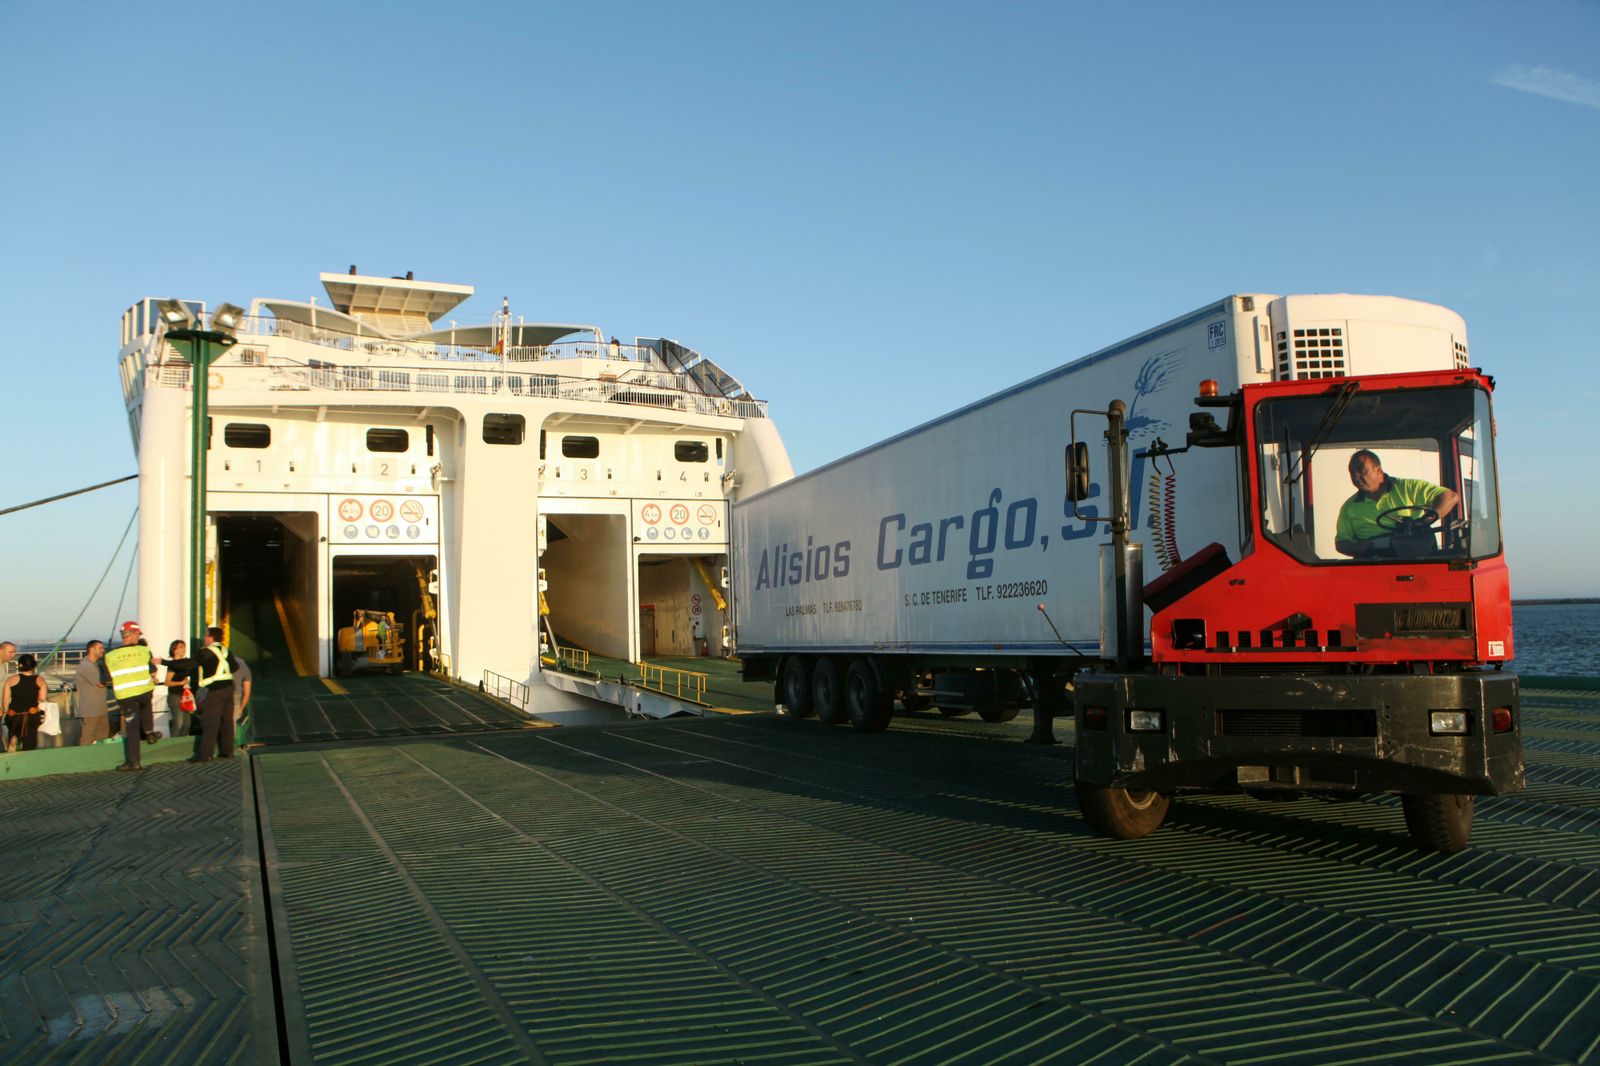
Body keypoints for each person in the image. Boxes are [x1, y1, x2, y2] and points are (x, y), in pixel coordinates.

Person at [1335, 450, 1460, 559]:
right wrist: (1355, 547)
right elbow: (1341, 542)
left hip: (1414, 558)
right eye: (1352, 473)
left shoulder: (1408, 488)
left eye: (1361, 471)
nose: (1356, 477)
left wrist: (1428, 519)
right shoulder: (1349, 507)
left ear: (1378, 470)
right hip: (1372, 562)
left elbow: (1450, 497)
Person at [105, 620, 163, 771]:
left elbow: (104, 679)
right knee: (145, 706)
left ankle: (133, 762)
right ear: (135, 634)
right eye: (138, 634)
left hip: (126, 695)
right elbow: (152, 669)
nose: (139, 637)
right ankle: (150, 732)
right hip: (144, 691)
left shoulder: (110, 655)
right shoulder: (144, 651)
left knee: (132, 729)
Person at [191, 627, 241, 763]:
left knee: (210, 723)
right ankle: (228, 751)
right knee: (227, 721)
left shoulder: (205, 652)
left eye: (206, 636)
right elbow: (235, 667)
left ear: (211, 638)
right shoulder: (225, 651)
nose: (204, 638)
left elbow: (190, 664)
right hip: (228, 689)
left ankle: (206, 754)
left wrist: (165, 662)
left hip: (214, 691)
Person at [3, 653, 49, 752]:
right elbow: (42, 698)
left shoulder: (11, 680)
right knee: (30, 743)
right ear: (33, 665)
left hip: (14, 714)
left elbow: (5, 700)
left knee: (13, 731)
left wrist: (5, 710)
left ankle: (14, 737)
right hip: (31, 715)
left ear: (20, 665)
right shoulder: (40, 680)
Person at [74, 639, 113, 745]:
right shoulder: (86, 666)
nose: (103, 651)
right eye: (100, 648)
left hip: (100, 708)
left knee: (103, 736)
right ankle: (84, 757)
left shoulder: (96, 665)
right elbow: (101, 683)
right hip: (90, 710)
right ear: (91, 649)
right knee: (87, 736)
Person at [163, 639, 196, 739]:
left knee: (187, 724)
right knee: (179, 723)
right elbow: (167, 682)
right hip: (175, 696)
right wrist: (181, 683)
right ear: (175, 650)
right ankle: (173, 744)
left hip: (185, 696)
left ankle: (181, 743)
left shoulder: (185, 663)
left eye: (184, 647)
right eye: (181, 647)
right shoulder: (173, 666)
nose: (184, 649)